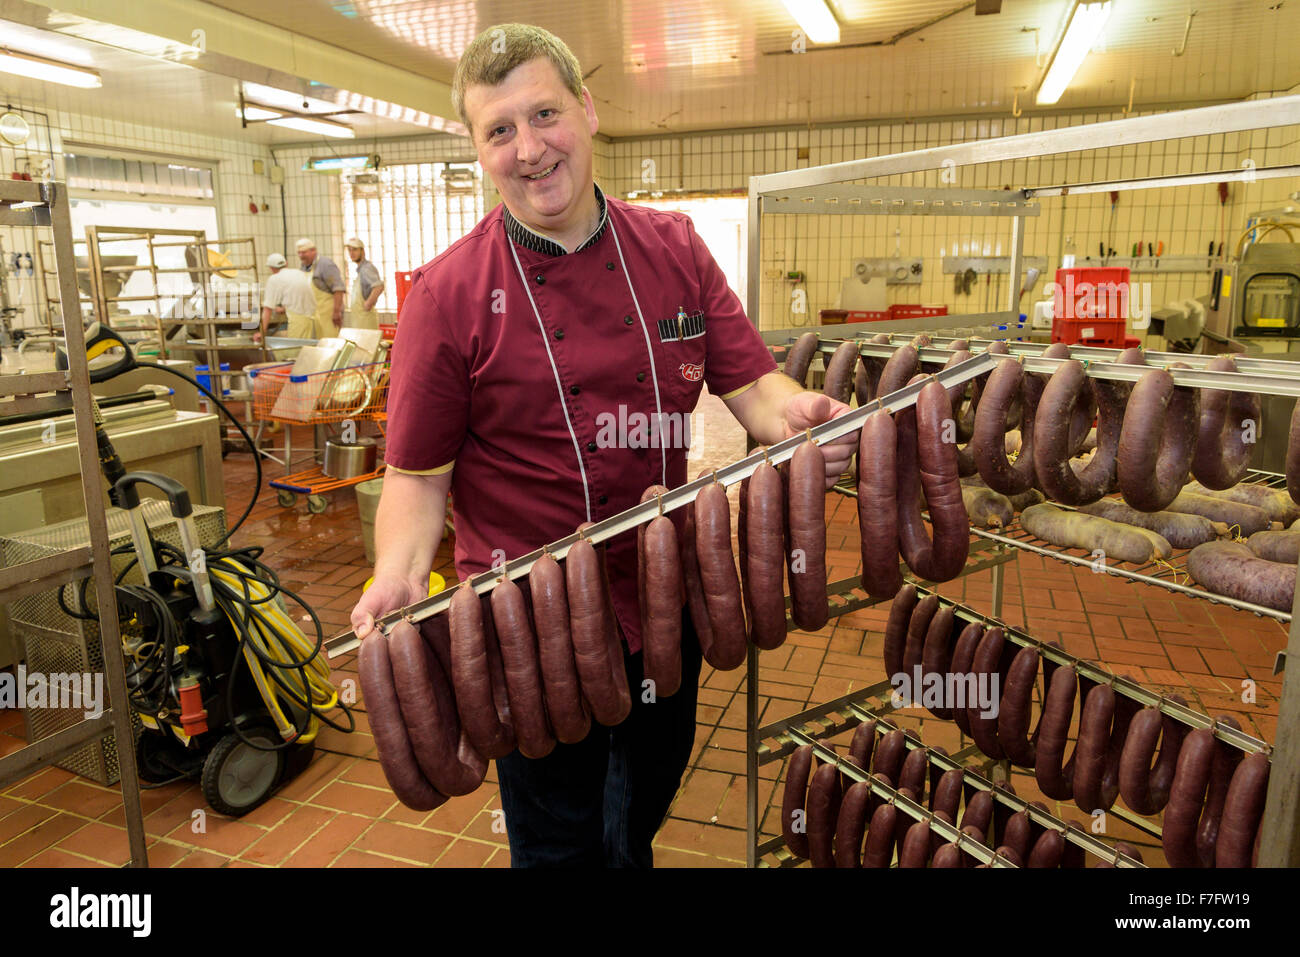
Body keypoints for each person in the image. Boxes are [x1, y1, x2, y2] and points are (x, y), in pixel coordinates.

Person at [349, 22, 855, 868]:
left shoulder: (676, 250)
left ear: (586, 108)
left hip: (666, 602)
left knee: (640, 812)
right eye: (499, 130)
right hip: (526, 627)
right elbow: (417, 477)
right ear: (478, 151)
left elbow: (757, 389)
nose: (529, 148)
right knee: (558, 844)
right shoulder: (447, 296)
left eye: (544, 114)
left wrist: (800, 413)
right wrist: (398, 575)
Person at [257, 252, 316, 342]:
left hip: (298, 321)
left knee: (295, 352)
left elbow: (267, 309)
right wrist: (284, 308)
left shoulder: (274, 279)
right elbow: (298, 295)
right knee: (307, 350)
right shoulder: (298, 273)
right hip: (313, 319)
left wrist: (262, 332)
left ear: (271, 268)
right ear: (286, 263)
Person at [295, 238, 346, 337]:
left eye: (304, 252)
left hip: (329, 315)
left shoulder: (325, 264)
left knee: (331, 344)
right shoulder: (304, 267)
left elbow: (338, 289)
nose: (301, 256)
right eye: (299, 253)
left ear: (313, 250)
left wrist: (336, 312)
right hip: (314, 316)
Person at [343, 237, 384, 330]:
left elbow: (379, 286)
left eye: (355, 250)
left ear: (362, 251)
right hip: (360, 320)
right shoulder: (360, 270)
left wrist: (368, 304)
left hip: (366, 320)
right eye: (349, 250)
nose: (351, 253)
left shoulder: (367, 268)